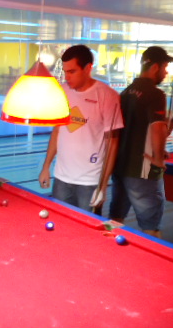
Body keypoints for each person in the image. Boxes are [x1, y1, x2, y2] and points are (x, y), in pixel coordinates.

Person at [38, 44, 123, 212]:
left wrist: (103, 185)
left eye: (72, 72)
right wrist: (46, 167)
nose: (67, 77)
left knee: (86, 226)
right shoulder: (63, 91)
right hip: (61, 178)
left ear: (88, 68)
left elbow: (112, 144)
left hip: (90, 182)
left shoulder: (108, 96)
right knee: (60, 222)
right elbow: (57, 131)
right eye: (65, 72)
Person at [109, 46, 173, 238]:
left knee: (115, 216)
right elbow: (157, 128)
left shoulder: (125, 93)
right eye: (165, 67)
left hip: (120, 166)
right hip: (142, 169)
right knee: (151, 224)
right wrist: (158, 159)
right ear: (155, 67)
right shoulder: (156, 94)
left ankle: (105, 246)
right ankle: (152, 253)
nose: (166, 72)